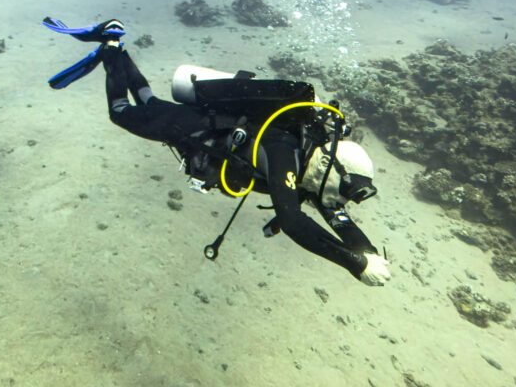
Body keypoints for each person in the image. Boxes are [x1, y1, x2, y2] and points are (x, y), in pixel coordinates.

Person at [43, 17, 391, 285]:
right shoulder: (283, 150)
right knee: (121, 111)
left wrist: (369, 253)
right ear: (330, 164)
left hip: (191, 125)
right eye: (346, 190)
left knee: (150, 102)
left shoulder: (314, 172)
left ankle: (116, 46)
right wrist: (355, 265)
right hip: (191, 128)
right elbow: (292, 221)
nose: (342, 200)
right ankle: (109, 48)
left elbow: (338, 217)